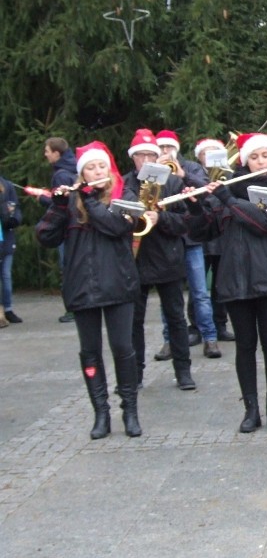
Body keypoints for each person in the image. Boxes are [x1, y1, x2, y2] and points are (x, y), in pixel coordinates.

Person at [185, 133, 267, 431]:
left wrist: (227, 199)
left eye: (265, 155)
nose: (260, 161)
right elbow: (205, 232)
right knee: (245, 345)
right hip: (235, 275)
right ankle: (251, 410)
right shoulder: (230, 184)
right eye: (254, 157)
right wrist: (197, 208)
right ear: (244, 159)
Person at [35, 141, 142, 438]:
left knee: (123, 349)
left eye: (101, 167)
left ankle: (130, 411)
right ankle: (101, 413)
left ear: (109, 170)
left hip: (119, 284)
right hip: (83, 287)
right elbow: (45, 237)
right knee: (90, 352)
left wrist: (91, 199)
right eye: (90, 168)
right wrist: (57, 206)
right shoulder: (71, 201)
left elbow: (117, 227)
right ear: (81, 173)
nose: (96, 172)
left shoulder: (125, 196)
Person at [122, 129, 196, 391]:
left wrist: (160, 218)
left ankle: (184, 371)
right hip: (135, 260)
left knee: (176, 318)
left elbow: (185, 223)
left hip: (168, 259)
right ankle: (135, 375)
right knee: (133, 322)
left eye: (150, 154)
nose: (145, 159)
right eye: (140, 155)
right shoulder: (124, 184)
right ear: (133, 158)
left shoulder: (173, 183)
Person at [154, 130, 221, 359]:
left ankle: (210, 338)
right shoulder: (152, 172)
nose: (164, 152)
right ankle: (169, 341)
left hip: (191, 240)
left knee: (200, 292)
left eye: (168, 147)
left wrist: (180, 173)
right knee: (168, 295)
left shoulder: (190, 167)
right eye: (160, 148)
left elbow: (205, 187)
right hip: (168, 239)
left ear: (176, 148)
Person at [193, 137, 236, 342]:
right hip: (202, 237)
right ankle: (195, 327)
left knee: (221, 284)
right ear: (200, 157)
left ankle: (220, 325)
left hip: (222, 236)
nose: (209, 156)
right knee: (198, 287)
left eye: (214, 152)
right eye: (205, 153)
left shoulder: (229, 175)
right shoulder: (194, 175)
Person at [42, 137, 78, 323]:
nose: (46, 154)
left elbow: (61, 202)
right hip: (74, 226)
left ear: (57, 153)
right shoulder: (73, 169)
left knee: (67, 268)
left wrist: (42, 198)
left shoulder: (60, 175)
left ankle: (72, 309)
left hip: (65, 228)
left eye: (48, 150)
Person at [0, 174, 22, 324]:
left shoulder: (6, 185)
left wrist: (14, 218)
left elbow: (16, 207)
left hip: (6, 237)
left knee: (6, 275)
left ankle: (7, 309)